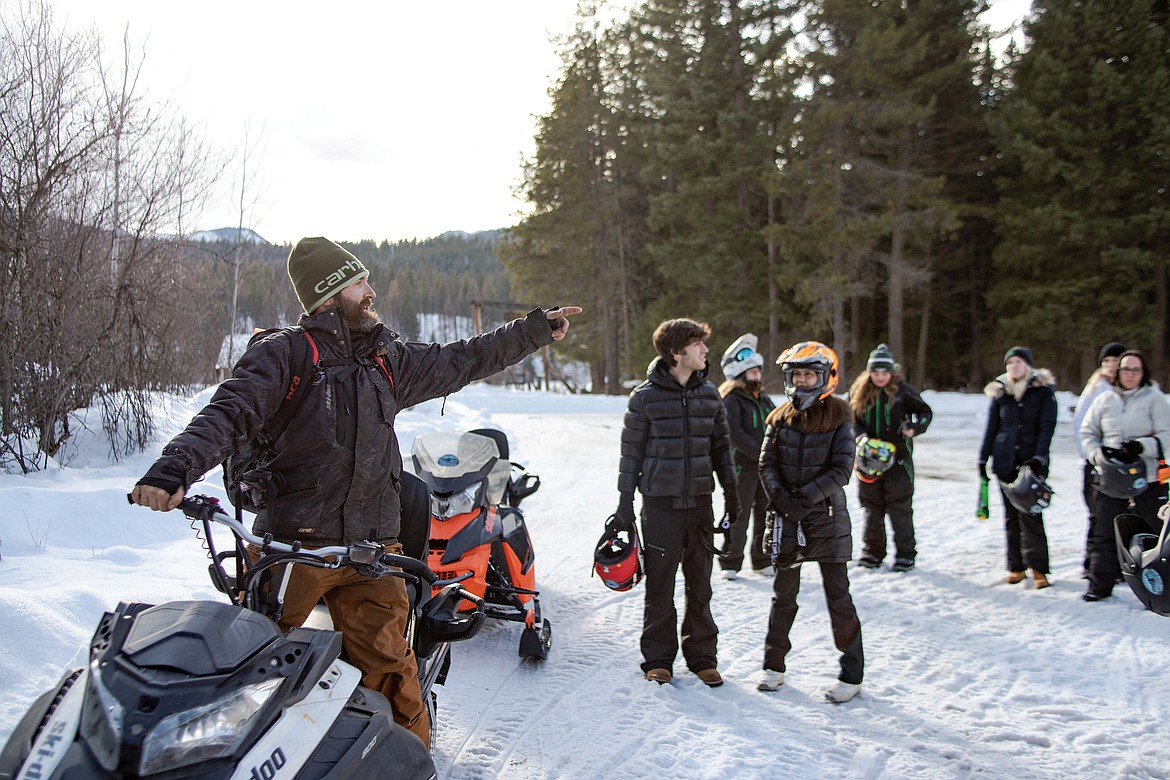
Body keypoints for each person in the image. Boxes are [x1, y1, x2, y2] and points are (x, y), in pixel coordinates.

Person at [130, 236, 580, 747]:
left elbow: (462, 359)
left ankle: (411, 761)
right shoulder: (285, 356)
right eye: (359, 283)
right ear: (331, 294)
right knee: (255, 672)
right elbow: (229, 413)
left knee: (392, 673)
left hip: (373, 551)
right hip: (295, 547)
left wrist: (534, 330)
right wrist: (173, 470)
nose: (371, 291)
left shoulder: (385, 360)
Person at [616, 318, 737, 687]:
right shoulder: (644, 398)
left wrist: (733, 497)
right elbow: (630, 455)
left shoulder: (710, 395)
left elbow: (722, 450)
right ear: (676, 352)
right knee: (660, 587)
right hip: (660, 506)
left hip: (700, 504)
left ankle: (702, 657)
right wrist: (623, 506)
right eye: (697, 345)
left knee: (701, 585)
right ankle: (658, 659)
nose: (705, 351)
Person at [757, 341, 864, 704]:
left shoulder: (840, 415)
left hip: (827, 520)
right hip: (787, 519)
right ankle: (774, 666)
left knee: (838, 597)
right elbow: (765, 464)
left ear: (825, 377)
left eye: (809, 374)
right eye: (797, 375)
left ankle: (852, 673)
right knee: (783, 596)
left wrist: (805, 498)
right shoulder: (778, 416)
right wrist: (783, 501)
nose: (802, 381)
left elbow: (842, 468)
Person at [1079, 349, 1170, 602]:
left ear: (1144, 373)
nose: (1130, 374)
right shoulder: (1104, 400)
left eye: (1136, 370)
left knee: (1154, 533)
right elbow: (1087, 434)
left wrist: (1141, 446)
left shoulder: (1155, 399)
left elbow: (1167, 435)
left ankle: (1157, 587)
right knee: (1104, 531)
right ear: (1117, 372)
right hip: (1111, 479)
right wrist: (1099, 454)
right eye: (1126, 369)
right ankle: (1100, 584)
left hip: (1148, 479)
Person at [847, 343, 933, 572]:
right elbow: (851, 420)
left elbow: (926, 413)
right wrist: (860, 436)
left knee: (900, 508)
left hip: (899, 461)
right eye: (875, 373)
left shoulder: (904, 391)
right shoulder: (859, 392)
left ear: (891, 373)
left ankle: (906, 554)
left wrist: (914, 428)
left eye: (884, 373)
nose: (880, 377)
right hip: (868, 460)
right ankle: (872, 552)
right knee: (871, 508)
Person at [977, 346, 1057, 589]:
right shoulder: (1000, 393)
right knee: (1011, 517)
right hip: (1004, 463)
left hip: (1031, 463)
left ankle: (1039, 569)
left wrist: (1039, 458)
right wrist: (983, 459)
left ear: (1028, 365)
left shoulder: (1042, 393)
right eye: (1010, 363)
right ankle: (1016, 566)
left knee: (1031, 516)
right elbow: (991, 428)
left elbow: (1047, 428)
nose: (1014, 367)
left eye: (1019, 362)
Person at [716, 333, 776, 579]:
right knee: (738, 514)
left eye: (758, 371)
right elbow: (734, 434)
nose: (757, 375)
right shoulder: (731, 399)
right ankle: (730, 560)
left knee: (766, 512)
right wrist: (760, 453)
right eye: (752, 372)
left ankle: (761, 560)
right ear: (740, 373)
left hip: (765, 467)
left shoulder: (764, 400)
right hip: (741, 466)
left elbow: (775, 425)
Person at [1071, 342, 1126, 576]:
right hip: (1098, 463)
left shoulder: (1131, 389)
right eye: (1106, 362)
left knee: (1124, 516)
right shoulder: (1096, 389)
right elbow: (1081, 426)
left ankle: (1119, 565)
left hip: (1125, 463)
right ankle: (1091, 565)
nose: (1111, 366)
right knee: (1097, 515)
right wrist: (1092, 456)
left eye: (1116, 361)